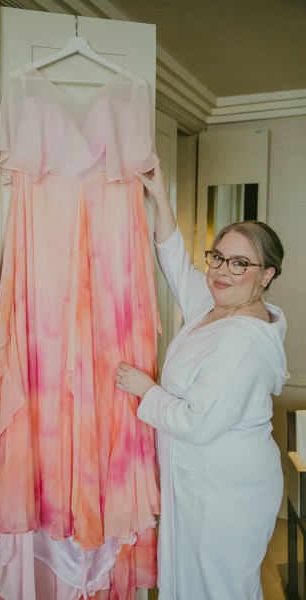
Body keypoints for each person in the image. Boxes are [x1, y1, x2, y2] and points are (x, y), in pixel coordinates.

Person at [115, 164, 287, 600]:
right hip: (204, 478)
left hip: (225, 489)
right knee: (192, 581)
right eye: (217, 256)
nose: (221, 271)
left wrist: (146, 390)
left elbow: (198, 423)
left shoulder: (241, 342)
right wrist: (161, 199)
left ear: (265, 275)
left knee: (218, 588)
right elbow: (175, 263)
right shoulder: (216, 307)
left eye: (240, 263)